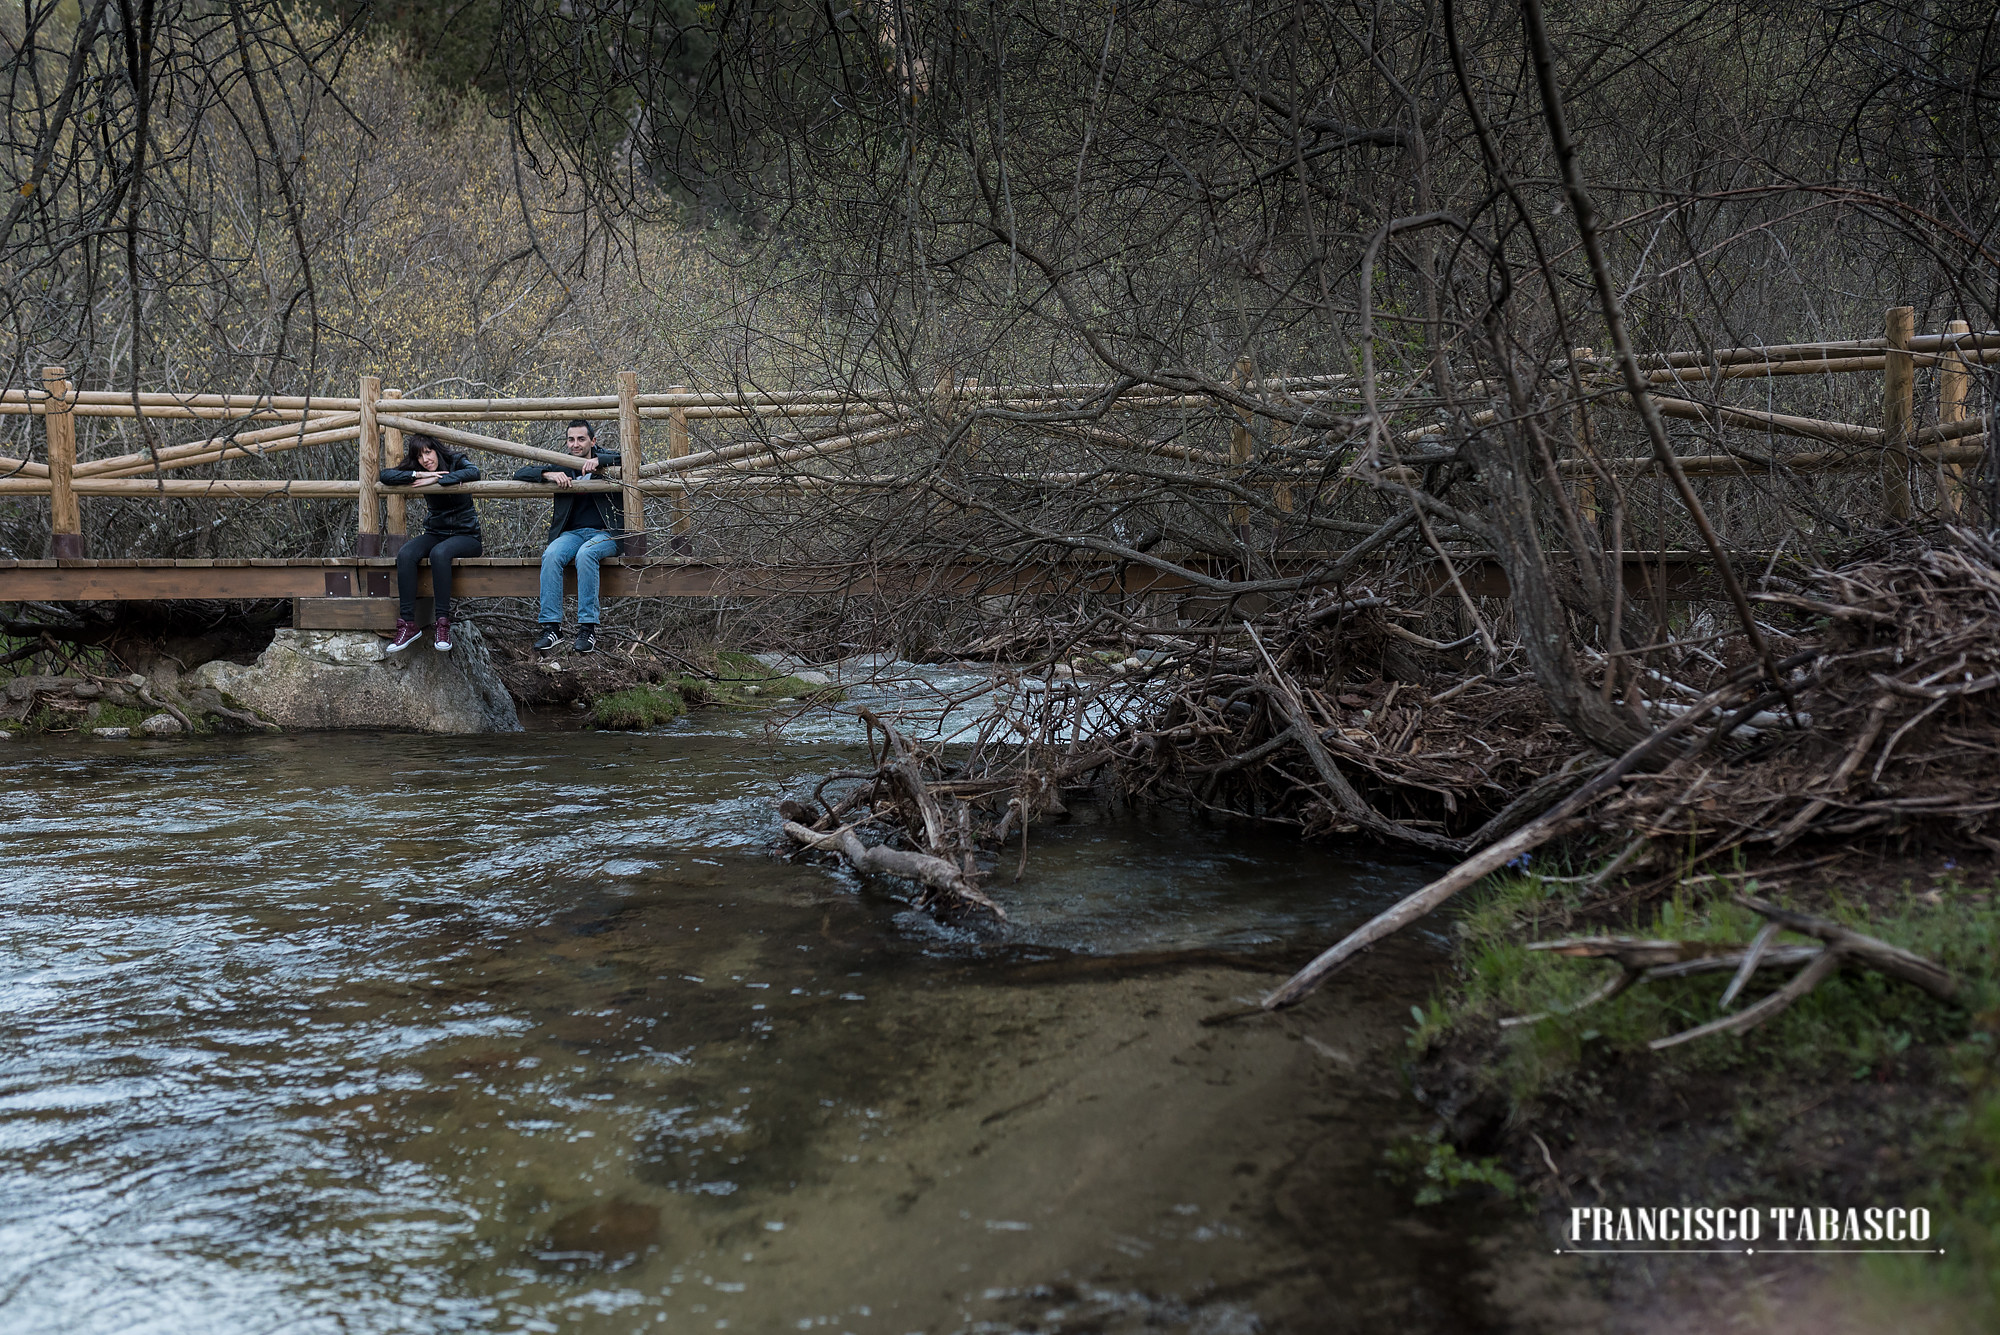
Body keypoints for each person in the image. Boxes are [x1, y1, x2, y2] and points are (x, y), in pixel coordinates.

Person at [517, 419, 624, 654]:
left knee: (587, 555)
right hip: (573, 534)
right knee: (551, 554)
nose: (575, 444)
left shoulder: (607, 459)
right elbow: (520, 473)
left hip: (607, 533)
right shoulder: (563, 464)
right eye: (571, 439)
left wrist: (601, 461)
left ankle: (587, 628)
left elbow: (639, 462)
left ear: (593, 441)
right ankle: (552, 627)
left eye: (581, 439)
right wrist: (548, 474)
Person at [378, 433, 482, 652]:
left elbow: (474, 472)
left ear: (436, 449)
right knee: (406, 553)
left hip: (467, 535)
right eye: (420, 456)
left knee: (439, 553)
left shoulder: (455, 460)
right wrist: (416, 474)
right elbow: (385, 475)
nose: (425, 459)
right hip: (436, 532)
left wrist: (437, 478)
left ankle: (442, 624)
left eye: (428, 452)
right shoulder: (418, 467)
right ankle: (408, 624)